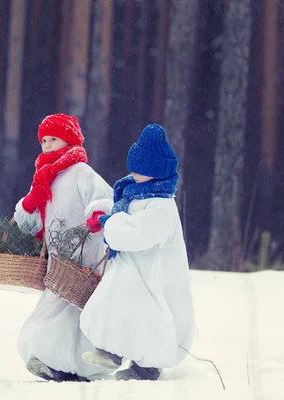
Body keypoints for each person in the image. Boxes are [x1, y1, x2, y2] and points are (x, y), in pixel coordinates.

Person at [80, 123, 196, 381]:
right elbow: (125, 212)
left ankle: (146, 365)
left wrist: (108, 223)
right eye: (133, 167)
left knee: (148, 317)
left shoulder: (162, 206)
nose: (134, 173)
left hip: (153, 274)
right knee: (121, 305)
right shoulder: (138, 193)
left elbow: (138, 233)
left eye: (141, 169)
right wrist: (104, 211)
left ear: (156, 172)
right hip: (135, 268)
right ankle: (112, 350)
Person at [13, 113, 114, 382]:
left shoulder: (81, 172)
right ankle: (52, 359)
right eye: (43, 140)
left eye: (53, 139)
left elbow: (104, 199)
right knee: (58, 306)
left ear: (68, 139)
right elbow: (29, 223)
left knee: (77, 308)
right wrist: (30, 203)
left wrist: (97, 214)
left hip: (84, 253)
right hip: (59, 259)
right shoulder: (44, 177)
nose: (46, 145)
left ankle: (82, 366)